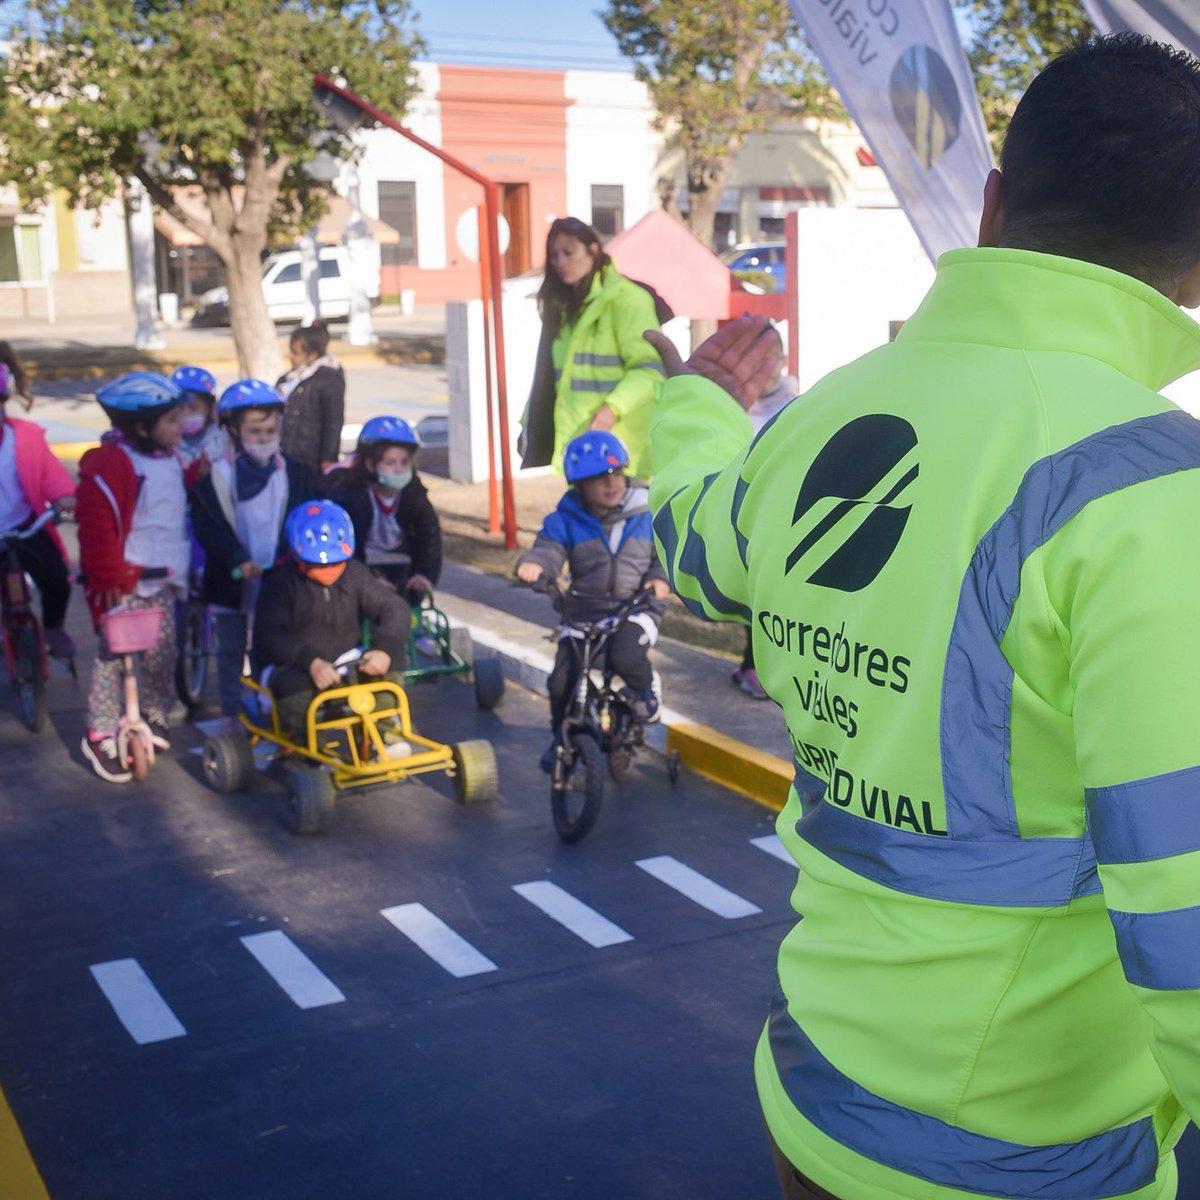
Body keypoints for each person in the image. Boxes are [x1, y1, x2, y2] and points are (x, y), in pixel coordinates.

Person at [645, 34, 1200, 1200]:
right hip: (1033, 1158)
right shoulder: (1156, 494)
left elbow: (697, 551)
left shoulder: (825, 416)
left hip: (816, 1097)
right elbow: (1186, 909)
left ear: (993, 206)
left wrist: (701, 398)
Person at [515, 431, 670, 771]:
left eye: (615, 474)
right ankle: (561, 740)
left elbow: (664, 554)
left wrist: (660, 578)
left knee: (625, 655)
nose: (610, 483)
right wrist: (536, 564)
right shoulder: (566, 519)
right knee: (561, 682)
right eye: (598, 479)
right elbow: (549, 548)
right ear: (578, 487)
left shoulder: (647, 512)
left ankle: (644, 690)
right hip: (583, 611)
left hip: (636, 606)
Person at [77, 372, 188, 783]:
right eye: (173, 421)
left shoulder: (174, 458)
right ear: (143, 427)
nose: (183, 427)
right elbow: (95, 525)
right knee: (113, 659)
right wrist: (108, 576)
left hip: (165, 577)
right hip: (124, 580)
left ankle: (154, 712)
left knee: (163, 653)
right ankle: (102, 729)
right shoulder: (113, 463)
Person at [189, 378, 317, 728]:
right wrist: (236, 558)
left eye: (270, 431)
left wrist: (291, 556)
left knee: (270, 644)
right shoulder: (217, 478)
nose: (264, 439)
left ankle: (270, 706)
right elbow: (210, 527)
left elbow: (303, 517)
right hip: (233, 577)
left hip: (279, 576)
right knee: (230, 648)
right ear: (232, 431)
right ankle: (231, 710)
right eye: (255, 431)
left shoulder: (295, 474)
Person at [520, 216, 666, 479]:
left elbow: (649, 371)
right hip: (580, 452)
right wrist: (529, 425)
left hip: (622, 453)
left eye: (568, 252)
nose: (561, 262)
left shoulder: (628, 300)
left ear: (593, 250)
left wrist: (611, 410)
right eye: (554, 256)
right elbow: (552, 380)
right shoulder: (565, 309)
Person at [251, 499, 410, 738]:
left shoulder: (354, 573)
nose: (328, 572)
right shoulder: (280, 583)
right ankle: (307, 750)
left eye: (335, 564)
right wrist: (311, 662)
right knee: (293, 689)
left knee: (393, 660)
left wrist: (384, 650)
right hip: (295, 665)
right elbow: (270, 636)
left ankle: (382, 730)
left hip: (345, 659)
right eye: (317, 566)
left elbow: (394, 608)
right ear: (297, 556)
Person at [732, 322, 797, 701]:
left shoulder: (797, 400)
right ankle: (751, 666)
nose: (765, 367)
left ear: (783, 360)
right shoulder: (738, 403)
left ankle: (758, 665)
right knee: (750, 591)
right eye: (755, 359)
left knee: (773, 592)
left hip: (782, 507)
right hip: (746, 505)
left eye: (771, 358)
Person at [0, 361, 76, 658]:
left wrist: (63, 496)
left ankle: (54, 626)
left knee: (57, 579)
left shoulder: (27, 437)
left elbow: (50, 471)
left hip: (24, 526)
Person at [326, 415, 441, 602]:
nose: (399, 469)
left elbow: (429, 533)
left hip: (401, 565)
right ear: (370, 464)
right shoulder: (350, 494)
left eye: (404, 462)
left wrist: (425, 574)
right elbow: (346, 543)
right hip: (362, 565)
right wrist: (368, 578)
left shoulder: (413, 493)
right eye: (390, 462)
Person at [277, 322, 345, 472]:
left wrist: (328, 457)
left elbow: (333, 421)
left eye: (296, 353)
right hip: (286, 453)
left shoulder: (329, 379)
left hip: (310, 457)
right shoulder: (288, 380)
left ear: (312, 355)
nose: (291, 357)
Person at [172, 364, 227, 480]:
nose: (185, 414)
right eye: (179, 408)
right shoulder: (165, 442)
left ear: (211, 409)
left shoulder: (223, 442)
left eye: (193, 408)